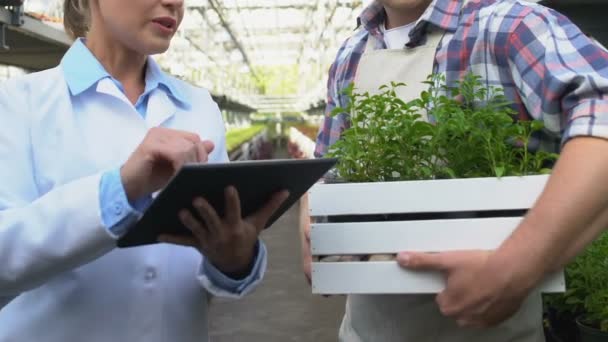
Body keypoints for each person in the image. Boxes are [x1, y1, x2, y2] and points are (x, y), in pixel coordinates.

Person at [301, 0, 608, 341]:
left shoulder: (508, 25)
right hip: (365, 329)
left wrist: (521, 262)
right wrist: (313, 219)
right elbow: (329, 165)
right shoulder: (351, 53)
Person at [0, 0, 288, 341]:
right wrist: (119, 189)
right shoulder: (18, 103)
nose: (174, 3)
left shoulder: (199, 108)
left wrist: (232, 260)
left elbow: (201, 269)